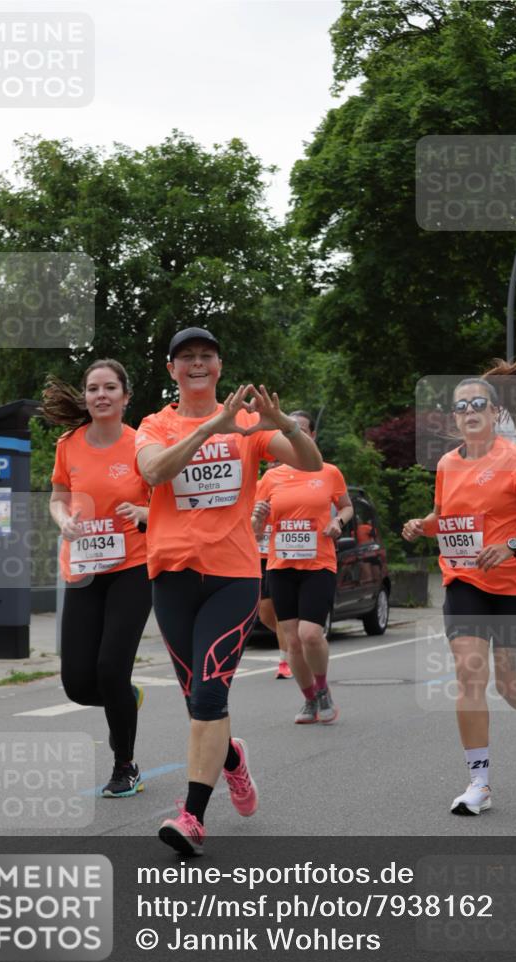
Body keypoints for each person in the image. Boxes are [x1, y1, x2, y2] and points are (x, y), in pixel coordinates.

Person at [135, 327, 322, 855]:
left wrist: (284, 424)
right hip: (171, 576)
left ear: (218, 366)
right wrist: (211, 426)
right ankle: (232, 760)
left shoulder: (247, 424)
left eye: (207, 357)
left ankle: (192, 816)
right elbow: (154, 470)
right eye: (187, 357)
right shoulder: (155, 424)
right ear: (172, 369)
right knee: (199, 701)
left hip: (233, 575)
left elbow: (308, 461)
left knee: (211, 695)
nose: (197, 364)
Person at [402, 360, 516, 816]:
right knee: (470, 676)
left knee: (513, 686)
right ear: (454, 419)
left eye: (478, 404)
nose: (469, 412)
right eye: (461, 407)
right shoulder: (448, 464)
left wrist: (511, 544)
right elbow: (445, 518)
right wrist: (422, 525)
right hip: (465, 581)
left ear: (494, 413)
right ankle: (479, 783)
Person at [44, 360, 152, 798]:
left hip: (133, 567)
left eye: (110, 387)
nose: (101, 395)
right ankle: (128, 697)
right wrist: (63, 519)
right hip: (85, 570)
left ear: (126, 397)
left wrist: (146, 514)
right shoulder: (68, 444)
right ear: (86, 397)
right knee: (77, 683)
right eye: (93, 388)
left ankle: (124, 765)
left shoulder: (143, 444)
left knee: (110, 668)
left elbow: (168, 502)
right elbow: (57, 498)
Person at [253, 411, 353, 725]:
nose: (293, 436)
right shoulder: (269, 478)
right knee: (292, 639)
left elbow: (347, 506)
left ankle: (323, 690)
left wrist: (338, 520)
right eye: (285, 432)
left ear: (311, 436)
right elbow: (256, 530)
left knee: (310, 634)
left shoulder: (328, 471)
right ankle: (309, 699)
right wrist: (256, 518)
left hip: (318, 563)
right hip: (281, 565)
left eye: (300, 430)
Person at [252, 463, 292, 679]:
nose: (272, 466)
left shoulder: (288, 490)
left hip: (277, 557)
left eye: (278, 462)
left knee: (279, 612)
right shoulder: (254, 488)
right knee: (265, 612)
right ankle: (293, 643)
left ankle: (285, 661)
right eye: (269, 462)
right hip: (257, 557)